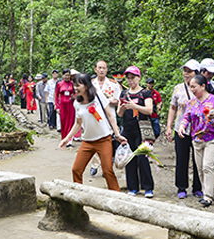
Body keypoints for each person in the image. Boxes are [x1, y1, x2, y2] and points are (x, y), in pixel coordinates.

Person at [59, 73, 127, 191]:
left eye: (78, 85)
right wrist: (66, 139)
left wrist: (117, 134)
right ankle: (78, 195)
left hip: (104, 139)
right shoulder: (77, 103)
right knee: (76, 169)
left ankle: (117, 196)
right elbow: (78, 123)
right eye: (74, 85)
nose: (75, 88)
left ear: (86, 86)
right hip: (87, 141)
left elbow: (110, 115)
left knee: (107, 171)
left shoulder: (98, 96)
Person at [178, 74, 214, 207]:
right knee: (199, 168)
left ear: (203, 86)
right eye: (190, 87)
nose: (192, 89)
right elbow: (186, 117)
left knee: (207, 166)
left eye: (194, 87)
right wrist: (182, 126)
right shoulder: (191, 102)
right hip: (196, 139)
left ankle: (208, 196)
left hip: (211, 138)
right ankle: (205, 191)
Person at [166, 59, 203, 199]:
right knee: (182, 159)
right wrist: (169, 126)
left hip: (199, 130)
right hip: (181, 129)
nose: (186, 74)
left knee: (198, 159)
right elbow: (173, 107)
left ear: (196, 73)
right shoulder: (178, 88)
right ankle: (181, 187)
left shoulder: (202, 88)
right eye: (185, 71)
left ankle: (198, 187)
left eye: (190, 71)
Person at [117, 66, 155, 198]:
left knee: (142, 158)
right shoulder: (124, 93)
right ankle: (132, 187)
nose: (130, 81)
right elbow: (119, 114)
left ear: (139, 78)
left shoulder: (145, 93)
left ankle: (148, 187)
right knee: (129, 158)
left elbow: (149, 110)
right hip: (128, 129)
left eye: (133, 78)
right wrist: (122, 108)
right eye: (128, 78)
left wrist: (135, 106)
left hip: (142, 130)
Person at [90, 60, 123, 176]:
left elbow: (119, 100)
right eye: (99, 68)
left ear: (107, 70)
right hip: (93, 117)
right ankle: (95, 164)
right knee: (94, 141)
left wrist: (106, 101)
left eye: (104, 68)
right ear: (96, 69)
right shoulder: (90, 84)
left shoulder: (113, 84)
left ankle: (106, 166)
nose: (102, 70)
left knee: (108, 142)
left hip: (109, 117)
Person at [55, 69, 76, 144]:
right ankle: (64, 138)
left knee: (71, 121)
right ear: (62, 75)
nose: (67, 77)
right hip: (62, 106)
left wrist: (74, 97)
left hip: (71, 105)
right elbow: (56, 96)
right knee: (63, 122)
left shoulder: (73, 84)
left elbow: (77, 92)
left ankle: (70, 139)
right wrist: (57, 106)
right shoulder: (59, 84)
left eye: (68, 75)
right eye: (66, 75)